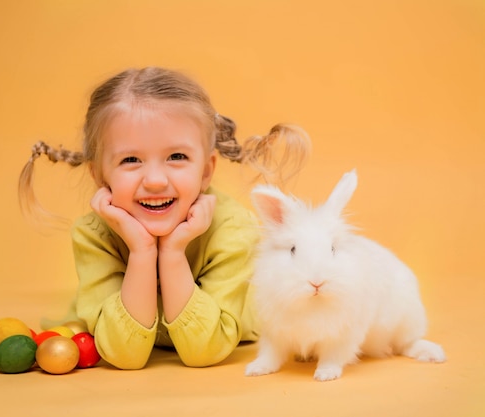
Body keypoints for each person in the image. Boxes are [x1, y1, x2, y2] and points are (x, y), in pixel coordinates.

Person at [19, 67, 310, 369]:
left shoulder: (233, 229)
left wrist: (172, 252)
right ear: (99, 174)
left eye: (176, 157)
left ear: (206, 170)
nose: (156, 180)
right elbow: (124, 355)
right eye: (130, 160)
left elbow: (205, 351)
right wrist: (142, 251)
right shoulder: (94, 234)